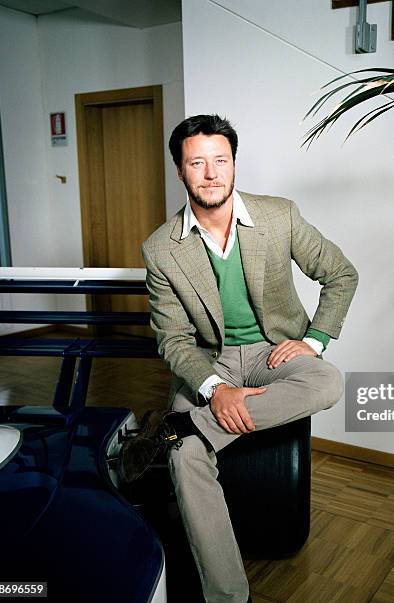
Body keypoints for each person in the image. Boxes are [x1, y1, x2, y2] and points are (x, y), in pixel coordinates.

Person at [120, 114, 358, 602]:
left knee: (328, 381)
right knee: (187, 459)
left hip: (276, 353)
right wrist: (216, 389)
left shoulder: (279, 216)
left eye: (220, 161)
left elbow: (341, 274)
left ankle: (178, 427)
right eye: (197, 163)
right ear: (181, 171)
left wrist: (313, 340)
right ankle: (230, 597)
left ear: (234, 164)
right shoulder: (161, 249)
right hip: (212, 362)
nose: (211, 174)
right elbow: (173, 340)